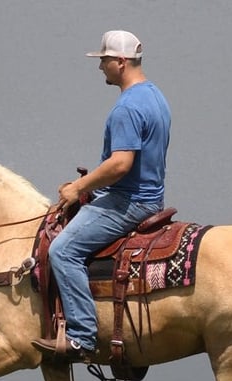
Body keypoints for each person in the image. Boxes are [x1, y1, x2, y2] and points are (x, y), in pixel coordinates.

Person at [32, 30, 172, 360]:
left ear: (121, 62)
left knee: (63, 250)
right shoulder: (155, 96)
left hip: (129, 202)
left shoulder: (126, 108)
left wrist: (80, 188)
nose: (101, 68)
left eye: (104, 61)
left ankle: (81, 335)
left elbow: (121, 163)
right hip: (150, 197)